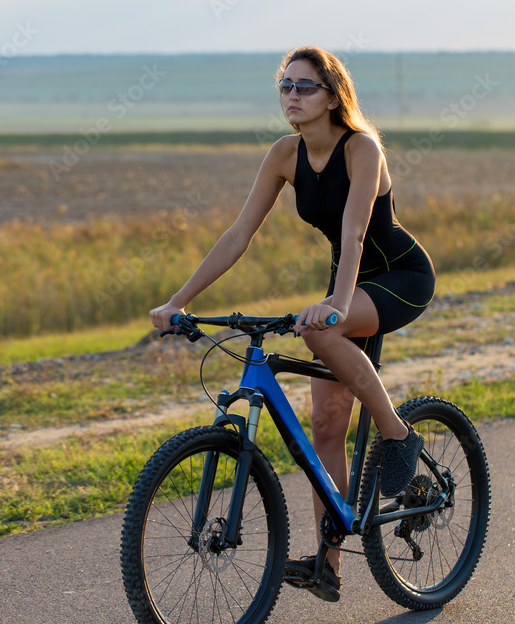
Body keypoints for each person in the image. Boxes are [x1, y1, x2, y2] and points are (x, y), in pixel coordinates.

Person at [148, 46, 436, 602]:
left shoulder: (362, 147)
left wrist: (336, 304)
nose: (291, 96)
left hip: (398, 275)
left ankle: (398, 435)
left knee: (317, 331)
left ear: (332, 95)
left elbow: (354, 235)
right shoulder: (285, 154)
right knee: (327, 426)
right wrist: (178, 301)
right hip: (345, 285)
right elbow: (237, 236)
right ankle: (329, 565)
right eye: (284, 86)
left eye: (304, 87)